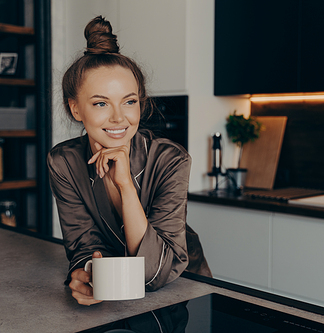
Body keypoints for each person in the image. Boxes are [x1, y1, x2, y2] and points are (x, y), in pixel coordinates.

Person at [47, 16, 211, 306]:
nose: (119, 118)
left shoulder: (171, 160)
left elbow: (154, 274)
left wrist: (125, 185)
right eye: (101, 103)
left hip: (185, 290)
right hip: (117, 295)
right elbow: (84, 244)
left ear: (141, 102)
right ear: (75, 108)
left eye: (129, 101)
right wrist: (86, 275)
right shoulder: (64, 163)